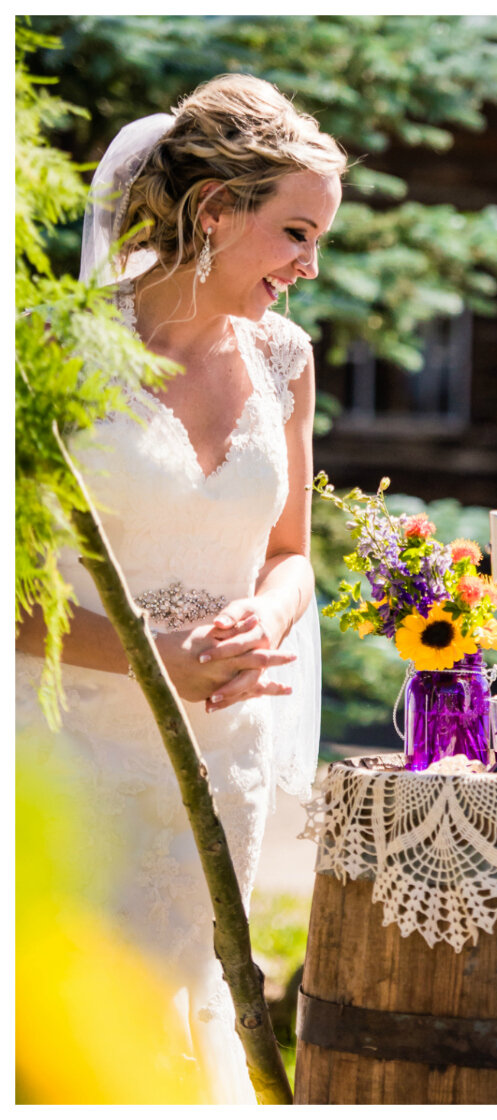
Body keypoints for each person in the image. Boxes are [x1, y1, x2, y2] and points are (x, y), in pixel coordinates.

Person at [15, 74, 345, 1102]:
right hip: (70, 753)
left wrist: (272, 612)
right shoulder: (48, 350)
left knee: (197, 1011)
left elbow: (292, 552)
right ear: (213, 211)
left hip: (223, 754)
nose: (308, 266)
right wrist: (160, 660)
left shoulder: (285, 361)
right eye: (295, 232)